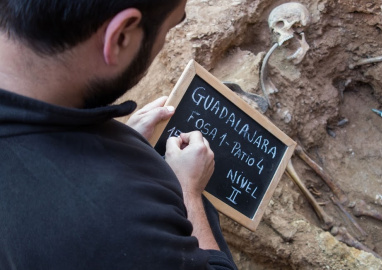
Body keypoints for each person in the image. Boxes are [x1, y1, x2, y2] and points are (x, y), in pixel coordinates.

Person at [0, 0, 237, 269]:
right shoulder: (118, 225)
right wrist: (187, 192)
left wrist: (117, 144)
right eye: (170, 27)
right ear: (121, 36)